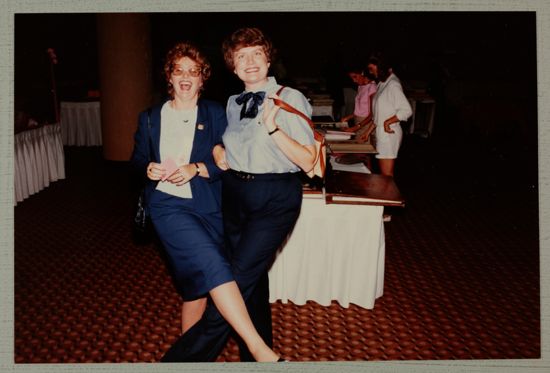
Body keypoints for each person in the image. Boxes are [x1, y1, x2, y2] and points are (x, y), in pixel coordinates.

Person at [161, 27, 316, 362]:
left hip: (275, 197)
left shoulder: (289, 98)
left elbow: (308, 160)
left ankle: (182, 361)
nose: (249, 62)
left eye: (256, 54)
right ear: (232, 65)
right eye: (241, 56)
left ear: (268, 58)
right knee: (252, 284)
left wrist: (273, 128)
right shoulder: (232, 104)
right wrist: (218, 149)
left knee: (235, 278)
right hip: (235, 195)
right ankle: (254, 358)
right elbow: (229, 145)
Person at [130, 41, 282, 362]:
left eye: (193, 72)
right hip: (167, 208)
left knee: (196, 289)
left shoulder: (215, 113)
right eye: (178, 71)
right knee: (213, 267)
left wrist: (198, 168)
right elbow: (137, 160)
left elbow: (230, 158)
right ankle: (258, 347)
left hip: (209, 208)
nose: (185, 77)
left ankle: (190, 358)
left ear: (202, 79)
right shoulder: (149, 118)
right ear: (168, 77)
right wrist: (147, 167)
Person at [367, 53, 412, 222]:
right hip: (382, 133)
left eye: (373, 69)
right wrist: (372, 128)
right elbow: (377, 114)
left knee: (387, 176)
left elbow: (406, 110)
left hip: (389, 134)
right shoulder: (383, 83)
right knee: (384, 175)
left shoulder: (393, 84)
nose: (372, 73)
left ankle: (388, 211)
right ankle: (386, 208)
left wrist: (388, 122)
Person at [341, 65, 378, 143]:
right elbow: (360, 110)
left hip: (366, 124)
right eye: (352, 78)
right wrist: (349, 117)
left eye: (355, 77)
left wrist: (355, 128)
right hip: (358, 122)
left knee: (363, 150)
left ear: (362, 73)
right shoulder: (360, 87)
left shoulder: (372, 87)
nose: (354, 81)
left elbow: (372, 114)